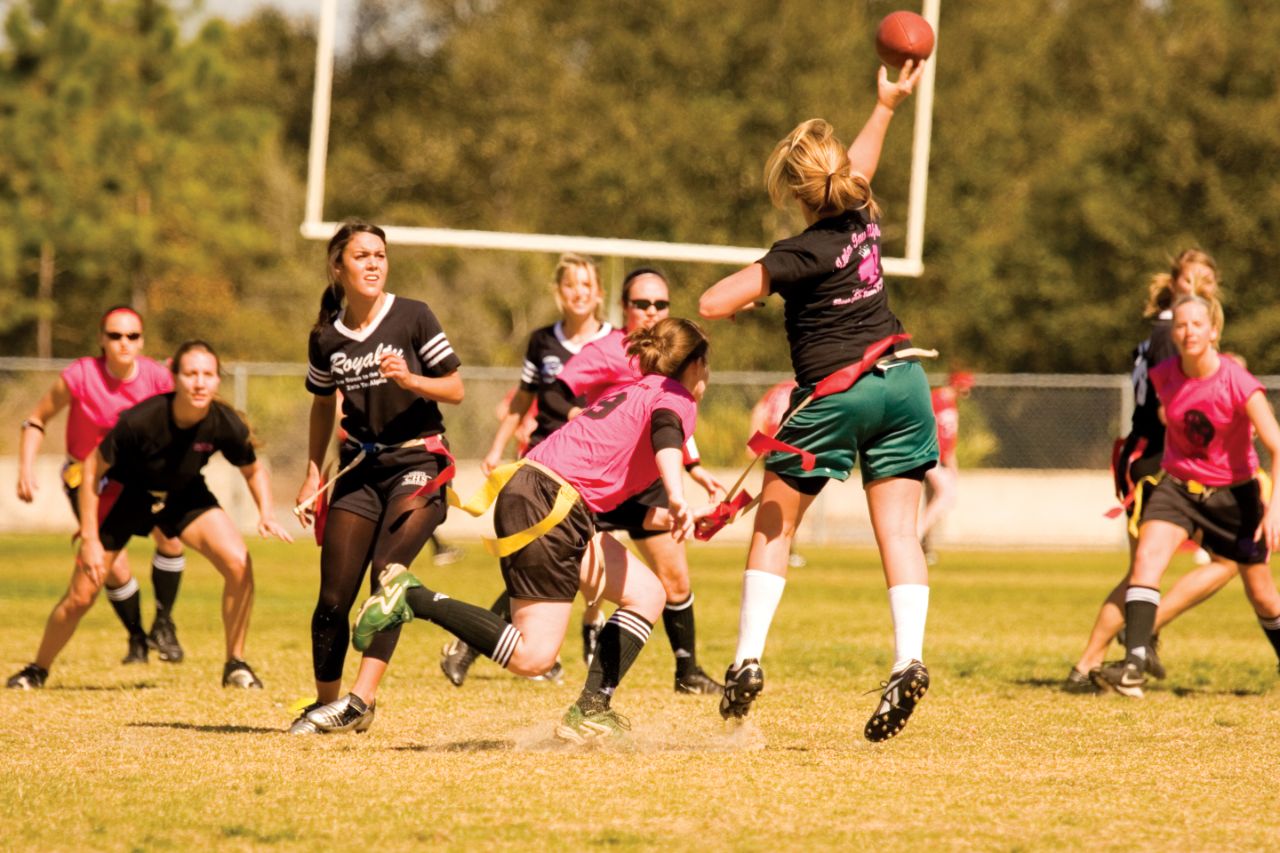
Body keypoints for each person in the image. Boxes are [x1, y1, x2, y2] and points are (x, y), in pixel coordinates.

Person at [699, 60, 936, 742]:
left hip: (836, 395)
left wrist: (751, 293)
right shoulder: (862, 213)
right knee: (898, 533)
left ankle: (746, 659)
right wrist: (886, 105)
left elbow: (712, 302)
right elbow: (857, 167)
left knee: (775, 524)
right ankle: (908, 658)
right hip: (902, 381)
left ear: (796, 193)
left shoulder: (796, 252)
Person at [351, 318, 713, 742]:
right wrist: (676, 492)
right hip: (551, 502)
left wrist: (677, 514)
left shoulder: (636, 391)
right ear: (695, 364)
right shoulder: (676, 397)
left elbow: (616, 499)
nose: (707, 374)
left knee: (647, 593)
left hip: (546, 495)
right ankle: (412, 596)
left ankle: (591, 709)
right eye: (707, 365)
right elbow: (667, 433)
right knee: (533, 657)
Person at [443, 266, 726, 694]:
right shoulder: (618, 355)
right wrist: (582, 421)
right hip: (585, 480)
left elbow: (670, 432)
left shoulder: (668, 373)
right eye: (642, 303)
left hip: (626, 479)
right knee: (551, 576)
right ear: (625, 307)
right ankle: (470, 640)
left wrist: (693, 473)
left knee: (667, 581)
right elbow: (564, 396)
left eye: (660, 304)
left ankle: (670, 677)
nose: (652, 310)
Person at [7, 341, 290, 690]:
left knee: (239, 563)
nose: (199, 383)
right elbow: (93, 469)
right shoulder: (141, 420)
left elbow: (252, 469)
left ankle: (236, 664)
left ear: (218, 380)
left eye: (207, 374)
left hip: (184, 496)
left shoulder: (223, 422)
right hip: (129, 496)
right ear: (174, 377)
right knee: (82, 593)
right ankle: (37, 669)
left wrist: (265, 512)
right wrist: (91, 538)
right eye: (190, 374)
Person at [290, 221, 464, 734]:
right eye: (362, 255)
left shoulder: (413, 315)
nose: (373, 263)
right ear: (338, 266)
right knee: (332, 599)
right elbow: (322, 407)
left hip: (418, 464)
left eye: (380, 255)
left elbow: (454, 388)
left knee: (386, 579)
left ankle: (360, 702)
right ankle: (326, 702)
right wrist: (309, 475)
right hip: (361, 470)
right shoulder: (326, 337)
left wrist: (411, 380)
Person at [1065, 251, 1239, 692]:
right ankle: (1121, 645)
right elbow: (1171, 411)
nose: (1199, 285)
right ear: (1175, 285)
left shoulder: (1169, 329)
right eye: (1190, 278)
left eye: (1208, 278)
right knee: (1188, 564)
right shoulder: (1173, 334)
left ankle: (1106, 658)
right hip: (1156, 461)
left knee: (1155, 570)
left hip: (1158, 459)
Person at [1094, 294, 1280, 697]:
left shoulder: (1238, 382)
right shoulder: (1165, 375)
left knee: (1264, 596)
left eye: (1197, 324)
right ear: (1172, 332)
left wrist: (1275, 509)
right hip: (1177, 486)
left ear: (1214, 330)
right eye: (1181, 325)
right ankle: (1134, 665)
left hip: (1234, 495)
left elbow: (1277, 445)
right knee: (1147, 557)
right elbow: (1168, 415)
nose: (1188, 331)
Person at [441, 253, 612, 685]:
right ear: (559, 292)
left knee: (564, 560)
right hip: (547, 464)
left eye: (586, 284)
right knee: (545, 557)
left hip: (594, 469)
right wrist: (498, 447)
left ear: (599, 293)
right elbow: (524, 397)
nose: (579, 292)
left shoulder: (616, 342)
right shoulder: (542, 341)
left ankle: (524, 642)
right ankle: (499, 645)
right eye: (571, 284)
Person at [15, 307, 188, 665]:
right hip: (89, 479)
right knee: (111, 566)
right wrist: (25, 468)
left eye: (132, 336)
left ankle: (163, 624)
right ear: (101, 339)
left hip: (140, 479)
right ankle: (137, 639)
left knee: (171, 540)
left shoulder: (156, 376)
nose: (124, 343)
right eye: (115, 335)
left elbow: (184, 415)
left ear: (141, 340)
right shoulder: (80, 375)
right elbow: (36, 419)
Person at [748, 379, 806, 568]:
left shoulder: (776, 389)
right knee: (787, 505)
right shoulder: (800, 388)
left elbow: (759, 410)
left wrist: (753, 441)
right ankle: (783, 551)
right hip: (790, 446)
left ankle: (763, 548)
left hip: (770, 446)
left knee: (771, 501)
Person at [918, 370, 974, 564]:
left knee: (933, 500)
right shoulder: (937, 399)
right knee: (946, 495)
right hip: (928, 455)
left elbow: (949, 439)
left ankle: (925, 547)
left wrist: (953, 465)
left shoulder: (951, 404)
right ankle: (915, 534)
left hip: (941, 458)